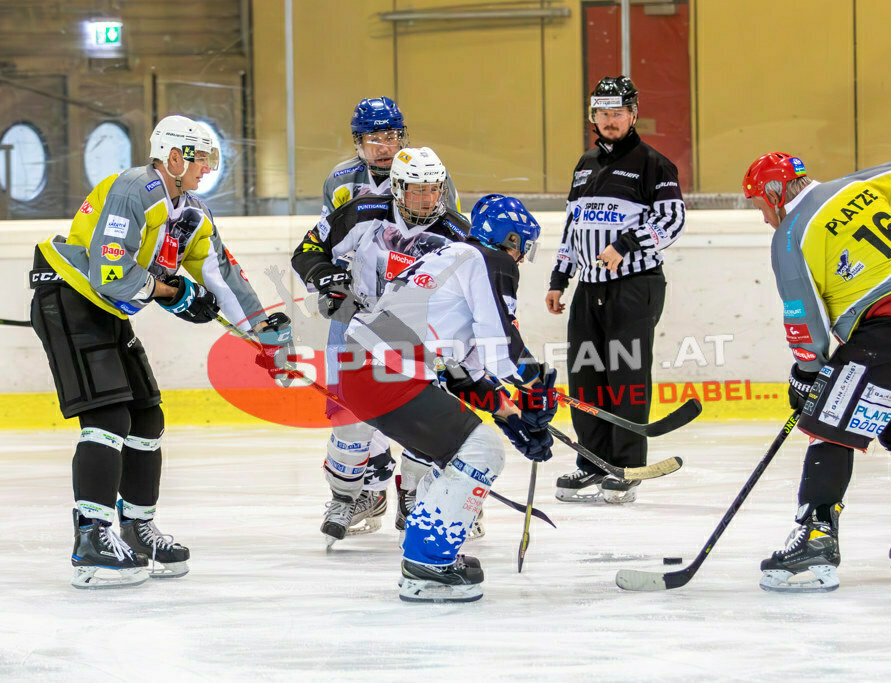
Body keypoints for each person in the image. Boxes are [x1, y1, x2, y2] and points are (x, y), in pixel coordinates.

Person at [30, 115, 292, 589]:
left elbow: (221, 276)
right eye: (199, 157)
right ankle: (91, 537)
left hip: (104, 309)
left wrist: (264, 335)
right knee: (108, 418)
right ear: (173, 157)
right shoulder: (136, 189)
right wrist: (173, 293)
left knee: (146, 416)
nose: (207, 166)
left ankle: (136, 528)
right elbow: (110, 273)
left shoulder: (191, 210)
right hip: (68, 299)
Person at [742, 152, 891, 592]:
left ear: (774, 195)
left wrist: (807, 374)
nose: (764, 220)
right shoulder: (856, 188)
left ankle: (814, 538)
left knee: (829, 424)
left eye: (759, 207)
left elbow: (804, 319)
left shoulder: (791, 234)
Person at [341, 194, 554, 602]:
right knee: (482, 452)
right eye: (523, 247)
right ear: (511, 239)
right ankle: (428, 562)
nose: (521, 259)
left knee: (462, 449)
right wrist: (536, 387)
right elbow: (501, 348)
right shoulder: (490, 261)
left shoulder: (452, 258)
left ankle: (428, 553)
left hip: (366, 370)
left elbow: (466, 371)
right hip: (386, 373)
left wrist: (511, 417)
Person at [293, 147, 471, 547]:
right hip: (359, 332)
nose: (427, 199)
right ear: (397, 188)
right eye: (417, 190)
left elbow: (478, 291)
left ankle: (414, 499)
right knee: (350, 421)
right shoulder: (361, 213)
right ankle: (345, 497)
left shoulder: (457, 232)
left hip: (417, 344)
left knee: (425, 423)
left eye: (433, 190)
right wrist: (325, 276)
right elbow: (308, 251)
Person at [544, 75, 686, 504]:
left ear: (633, 115)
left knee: (625, 377)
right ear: (593, 116)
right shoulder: (585, 163)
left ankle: (626, 466)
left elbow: (672, 222)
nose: (610, 120)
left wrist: (626, 244)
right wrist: (558, 278)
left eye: (618, 112)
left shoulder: (653, 163)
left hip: (633, 286)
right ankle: (592, 462)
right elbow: (574, 227)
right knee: (585, 376)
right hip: (588, 288)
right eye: (603, 113)